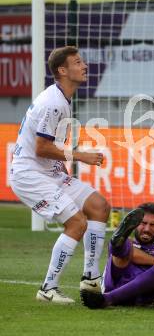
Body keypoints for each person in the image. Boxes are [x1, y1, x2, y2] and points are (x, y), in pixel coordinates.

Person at [9, 46, 110, 303]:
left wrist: (63, 167)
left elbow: (46, 146)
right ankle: (48, 288)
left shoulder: (62, 98)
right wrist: (80, 156)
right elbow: (41, 148)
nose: (84, 66)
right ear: (63, 71)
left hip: (48, 171)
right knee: (76, 223)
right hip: (29, 174)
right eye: (78, 62)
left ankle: (90, 277)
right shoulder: (53, 103)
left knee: (98, 206)